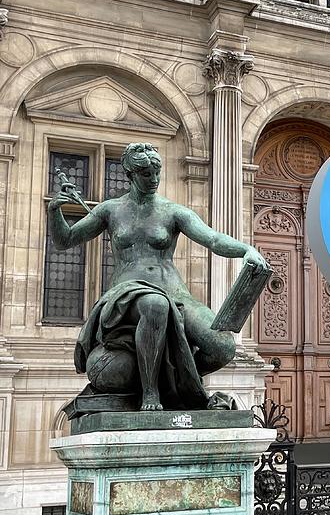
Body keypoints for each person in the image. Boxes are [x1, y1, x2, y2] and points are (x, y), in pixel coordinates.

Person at [47, 143, 269, 411]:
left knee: (222, 346)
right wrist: (54, 210)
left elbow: (212, 238)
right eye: (144, 173)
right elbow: (65, 240)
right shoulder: (110, 210)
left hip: (174, 291)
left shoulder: (172, 212)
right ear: (129, 174)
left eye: (156, 172)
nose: (153, 179)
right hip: (128, 292)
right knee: (155, 305)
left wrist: (246, 250)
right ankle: (150, 393)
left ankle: (175, 382)